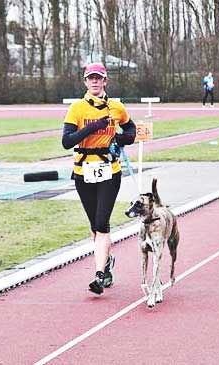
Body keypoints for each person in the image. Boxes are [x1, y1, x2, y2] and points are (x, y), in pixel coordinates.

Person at [62, 62, 136, 295]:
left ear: (105, 81)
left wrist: (119, 138)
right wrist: (93, 126)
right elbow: (66, 141)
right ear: (85, 82)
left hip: (109, 172)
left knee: (102, 222)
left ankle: (99, 276)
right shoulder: (77, 109)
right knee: (95, 226)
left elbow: (131, 131)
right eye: (90, 78)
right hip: (83, 172)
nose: (94, 81)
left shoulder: (116, 107)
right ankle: (107, 262)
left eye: (98, 78)